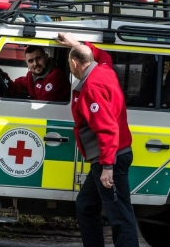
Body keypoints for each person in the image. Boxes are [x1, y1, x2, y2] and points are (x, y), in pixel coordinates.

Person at [60, 33, 138, 247]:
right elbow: (104, 56)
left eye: (69, 62)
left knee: (120, 216)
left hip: (110, 159)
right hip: (106, 158)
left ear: (75, 63)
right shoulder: (103, 70)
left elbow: (107, 128)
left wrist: (107, 166)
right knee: (85, 205)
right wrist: (77, 44)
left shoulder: (92, 88)